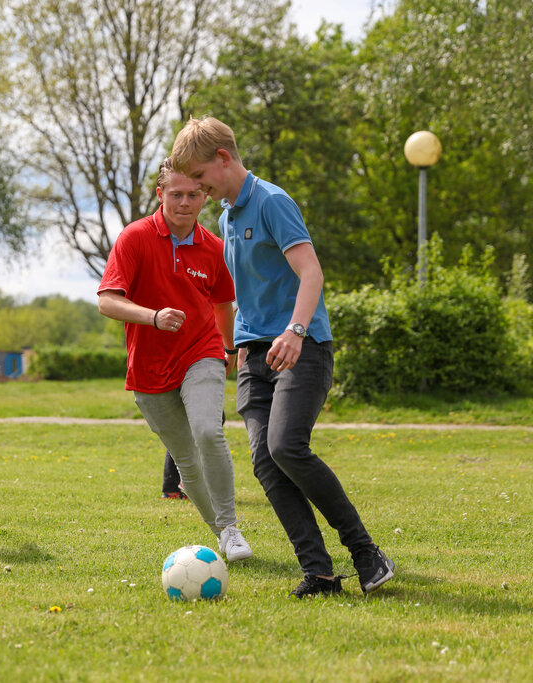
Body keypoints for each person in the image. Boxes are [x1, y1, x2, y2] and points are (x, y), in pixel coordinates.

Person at [171, 117, 394, 597]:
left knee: (287, 446)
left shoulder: (272, 202)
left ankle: (365, 552)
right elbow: (235, 296)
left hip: (302, 345)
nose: (199, 189)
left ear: (223, 159)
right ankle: (320, 572)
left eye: (201, 177)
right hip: (255, 354)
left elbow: (310, 272)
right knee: (267, 462)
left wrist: (295, 331)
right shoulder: (227, 216)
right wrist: (230, 349)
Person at [98, 158, 252, 562]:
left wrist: (228, 348)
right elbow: (107, 302)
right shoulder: (134, 239)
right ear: (160, 194)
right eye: (177, 194)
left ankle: (231, 528)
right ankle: (219, 531)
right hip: (149, 371)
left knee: (207, 430)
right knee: (186, 463)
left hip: (201, 353)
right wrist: (152, 316)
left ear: (205, 196)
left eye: (194, 195)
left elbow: (223, 304)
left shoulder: (215, 248)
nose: (185, 202)